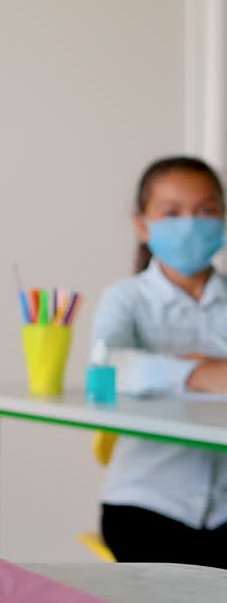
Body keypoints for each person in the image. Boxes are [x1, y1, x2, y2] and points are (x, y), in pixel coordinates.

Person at [92, 156, 227, 568]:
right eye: (172, 212)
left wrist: (163, 371)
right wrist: (201, 374)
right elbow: (106, 369)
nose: (190, 224)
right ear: (142, 225)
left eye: (206, 211)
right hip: (146, 505)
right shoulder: (126, 298)